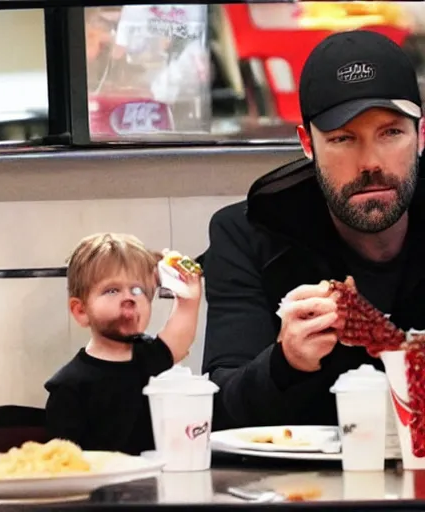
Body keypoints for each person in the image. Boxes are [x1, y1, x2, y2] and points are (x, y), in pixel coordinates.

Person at [200, 30, 425, 429]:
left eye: (390, 133)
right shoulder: (248, 235)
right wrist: (284, 361)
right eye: (343, 138)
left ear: (421, 135)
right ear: (307, 144)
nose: (370, 162)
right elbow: (216, 411)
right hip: (295, 486)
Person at [45, 233, 201, 455]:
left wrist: (189, 298)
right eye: (112, 290)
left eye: (137, 290)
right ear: (81, 311)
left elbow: (179, 339)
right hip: (98, 487)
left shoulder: (147, 356)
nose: (129, 297)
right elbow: (62, 465)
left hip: (153, 483)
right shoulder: (69, 386)